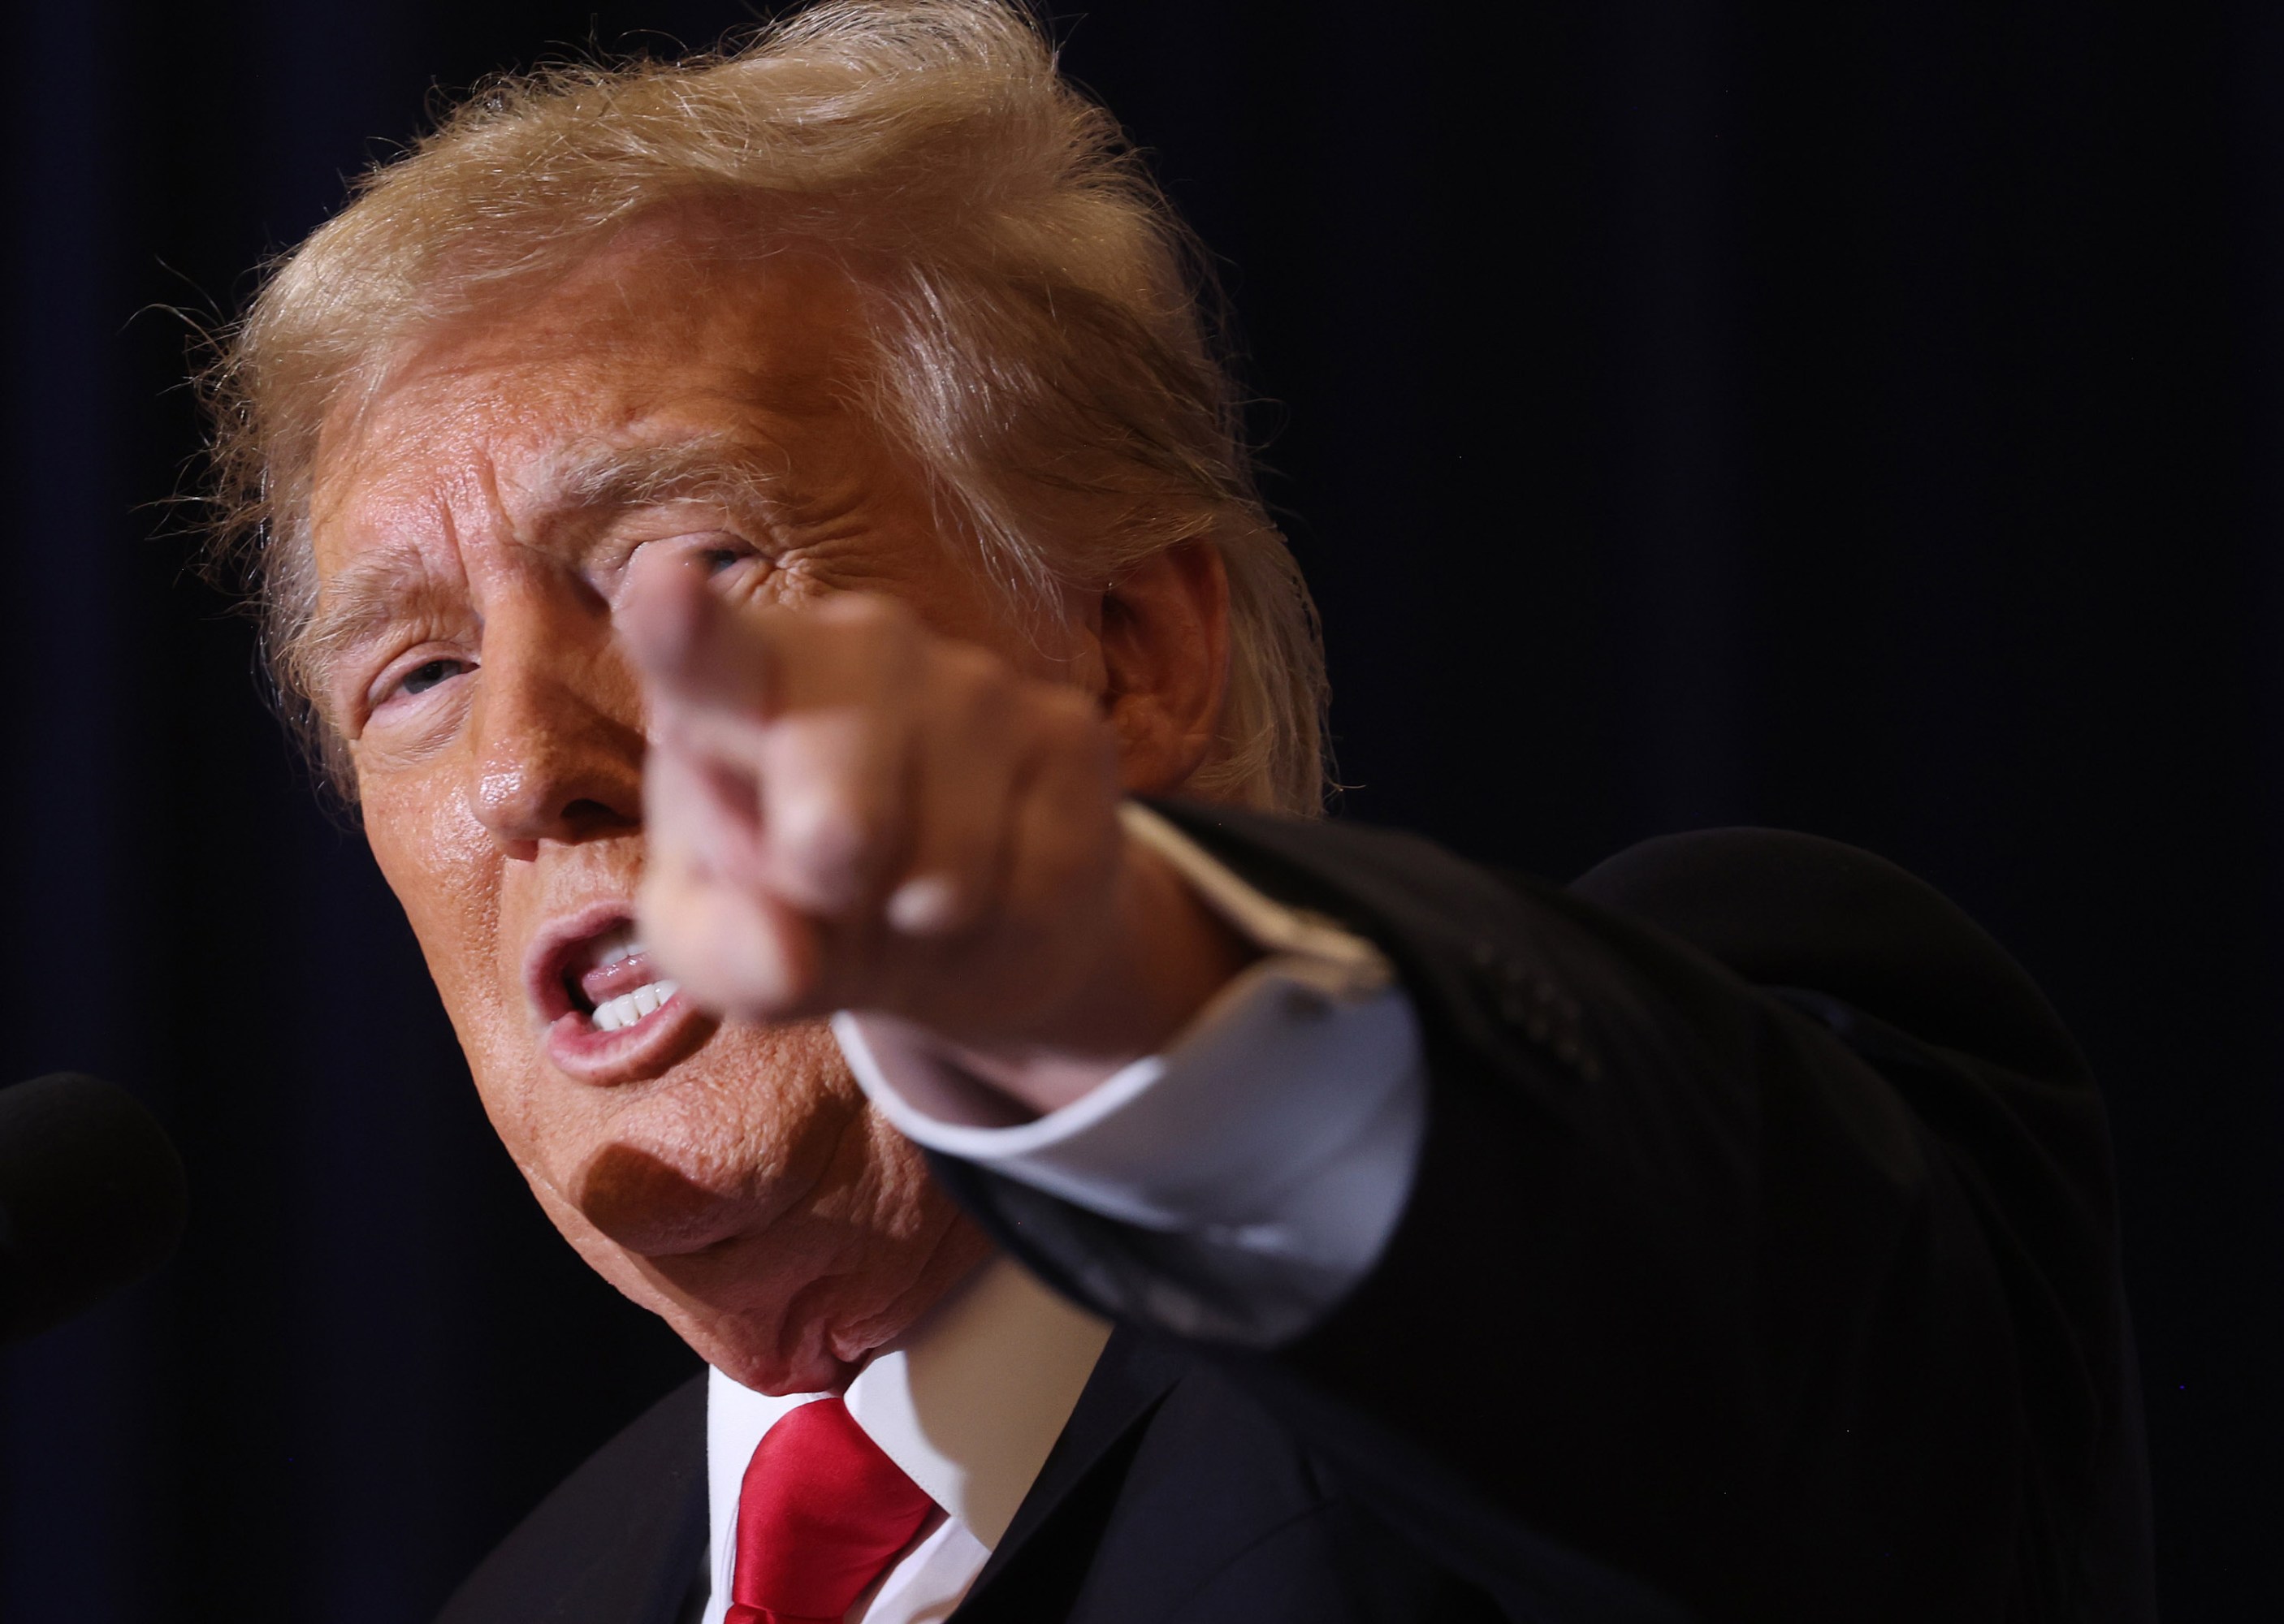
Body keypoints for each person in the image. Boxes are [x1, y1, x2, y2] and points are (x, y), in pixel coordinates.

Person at [201, 2, 2152, 1619]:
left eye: (688, 568)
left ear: (1124, 651)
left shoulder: (1566, 1324)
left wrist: (1100, 967)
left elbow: (1720, 1360)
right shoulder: (525, 1596)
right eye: (418, 674)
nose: (532, 757)